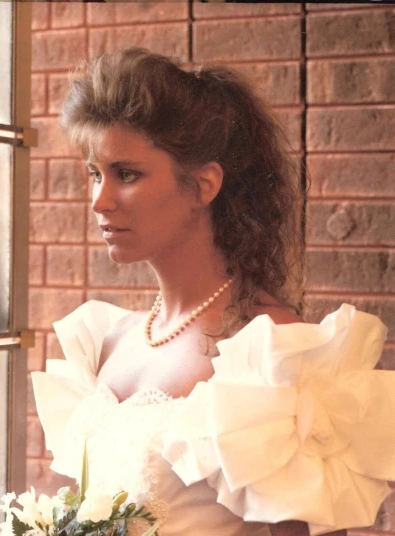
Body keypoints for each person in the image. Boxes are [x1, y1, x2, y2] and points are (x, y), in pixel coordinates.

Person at [32, 47, 395, 536]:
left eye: (127, 174)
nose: (99, 199)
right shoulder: (110, 340)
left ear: (203, 185)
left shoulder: (269, 352)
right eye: (95, 173)